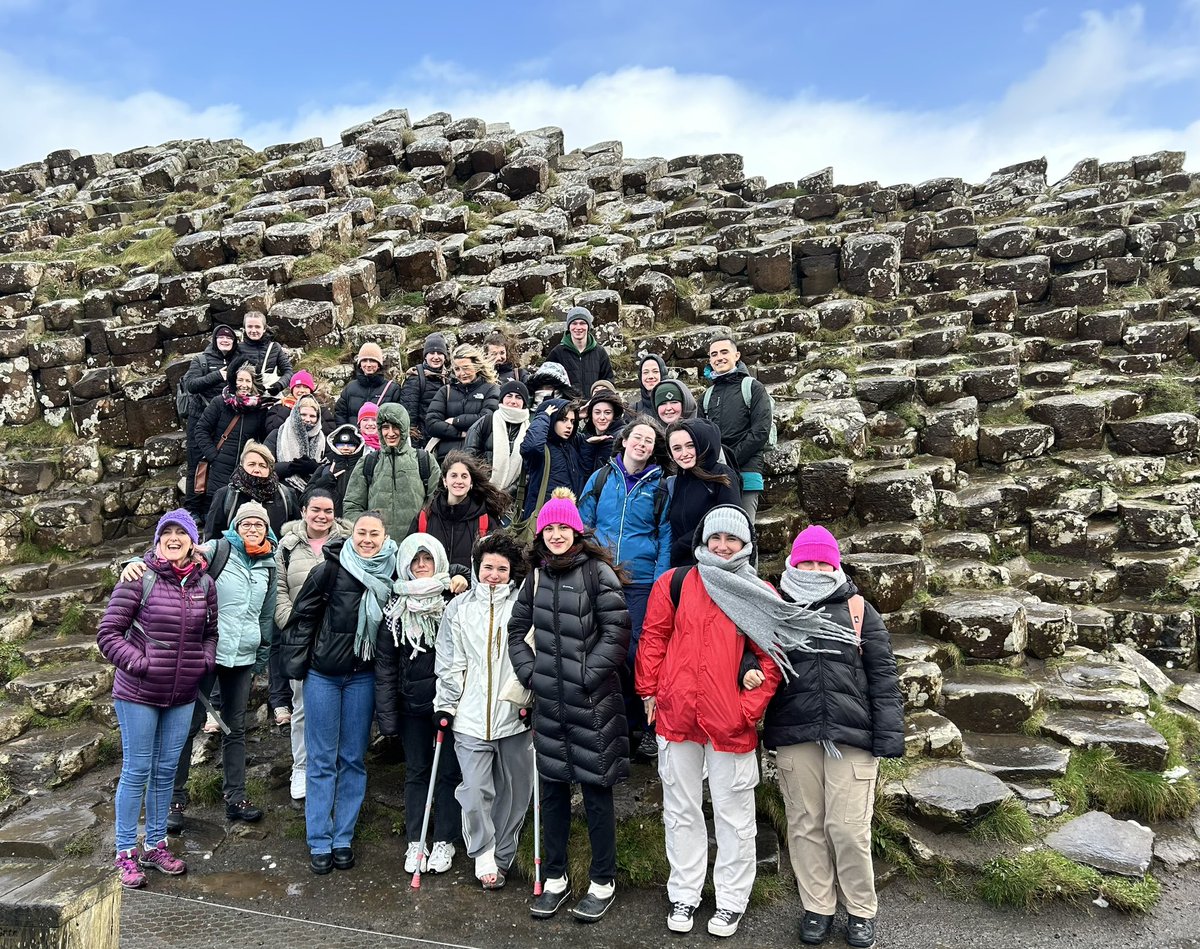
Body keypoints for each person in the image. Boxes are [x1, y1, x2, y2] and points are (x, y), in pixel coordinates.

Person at [636, 505, 782, 938]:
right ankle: (685, 891)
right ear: (703, 539)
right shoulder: (676, 582)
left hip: (728, 721)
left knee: (734, 814)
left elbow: (773, 657)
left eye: (732, 540)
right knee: (681, 810)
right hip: (677, 713)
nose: (722, 546)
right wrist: (649, 691)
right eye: (715, 538)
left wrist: (746, 710)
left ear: (745, 545)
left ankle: (732, 900)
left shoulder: (758, 591)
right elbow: (654, 637)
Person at [758, 525, 904, 949]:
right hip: (795, 734)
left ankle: (860, 910)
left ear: (835, 565)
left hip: (852, 736)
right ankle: (817, 906)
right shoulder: (775, 606)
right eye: (808, 560)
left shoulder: (859, 609)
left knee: (848, 828)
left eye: (824, 561)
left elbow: (883, 676)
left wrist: (888, 736)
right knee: (805, 826)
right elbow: (760, 663)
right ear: (794, 562)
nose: (816, 568)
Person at [508, 488, 631, 923]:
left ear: (576, 530)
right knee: (554, 793)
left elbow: (617, 635)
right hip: (550, 706)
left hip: (593, 705)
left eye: (563, 527)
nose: (556, 534)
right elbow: (516, 629)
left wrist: (583, 676)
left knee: (597, 794)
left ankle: (602, 881)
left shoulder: (598, 573)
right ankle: (555, 877)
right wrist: (530, 674)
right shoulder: (535, 578)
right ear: (540, 535)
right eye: (549, 528)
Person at [120, 502, 278, 831]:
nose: (252, 529)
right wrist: (137, 561)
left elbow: (266, 613)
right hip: (203, 654)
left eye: (258, 525)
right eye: (246, 523)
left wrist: (261, 652)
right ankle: (175, 799)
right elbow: (172, 554)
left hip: (243, 657)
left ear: (267, 529)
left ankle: (236, 797)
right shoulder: (217, 550)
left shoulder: (268, 563)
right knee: (188, 727)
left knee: (235, 728)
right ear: (236, 526)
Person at [97, 510, 217, 889]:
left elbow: (211, 632)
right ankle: (125, 852)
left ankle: (155, 844)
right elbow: (108, 633)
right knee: (137, 770)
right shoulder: (138, 578)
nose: (174, 537)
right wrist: (139, 663)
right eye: (167, 531)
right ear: (158, 539)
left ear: (193, 541)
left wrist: (204, 662)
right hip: (138, 692)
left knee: (166, 772)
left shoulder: (204, 584)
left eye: (182, 532)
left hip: (181, 694)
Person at [282, 511, 398, 875]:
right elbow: (303, 618)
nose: (366, 539)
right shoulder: (330, 568)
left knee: (352, 758)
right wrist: (299, 667)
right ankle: (319, 838)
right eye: (361, 532)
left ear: (384, 538)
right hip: (324, 675)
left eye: (374, 534)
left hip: (362, 677)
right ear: (351, 534)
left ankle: (343, 837)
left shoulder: (393, 574)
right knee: (320, 758)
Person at [434, 531, 532, 890]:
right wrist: (445, 705)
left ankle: (505, 855)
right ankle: (484, 852)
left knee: (516, 791)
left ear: (511, 572)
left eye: (502, 568)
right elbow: (449, 662)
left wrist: (530, 701)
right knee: (475, 790)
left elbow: (533, 655)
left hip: (515, 716)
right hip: (470, 718)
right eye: (488, 567)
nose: (494, 574)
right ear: (477, 567)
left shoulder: (522, 604)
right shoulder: (459, 609)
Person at [578, 415, 672, 759]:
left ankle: (646, 728)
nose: (642, 444)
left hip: (642, 582)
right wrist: (587, 565)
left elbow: (664, 534)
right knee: (604, 653)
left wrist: (661, 581)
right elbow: (583, 523)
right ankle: (615, 726)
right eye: (638, 437)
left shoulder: (661, 485)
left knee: (639, 654)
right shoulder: (601, 478)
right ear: (625, 440)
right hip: (601, 578)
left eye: (649, 440)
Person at [375, 533, 461, 876]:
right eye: (415, 560)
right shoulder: (394, 611)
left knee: (449, 773)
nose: (422, 565)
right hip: (412, 705)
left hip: (449, 704)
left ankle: (444, 839)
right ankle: (417, 840)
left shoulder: (453, 602)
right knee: (417, 772)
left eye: (427, 559)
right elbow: (385, 666)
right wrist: (388, 717)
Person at [275, 489, 350, 803]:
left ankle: (334, 766)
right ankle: (302, 767)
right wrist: (291, 622)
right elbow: (278, 589)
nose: (322, 516)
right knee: (303, 708)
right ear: (303, 511)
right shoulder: (288, 546)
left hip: (338, 638)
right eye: (316, 510)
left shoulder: (348, 543)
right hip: (303, 639)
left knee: (342, 708)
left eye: (328, 511)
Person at [699, 334, 773, 523]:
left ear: (737, 355)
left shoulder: (753, 387)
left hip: (746, 472)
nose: (719, 357)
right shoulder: (706, 396)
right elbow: (700, 437)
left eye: (724, 352)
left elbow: (761, 430)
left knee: (744, 532)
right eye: (714, 354)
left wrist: (730, 461)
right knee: (719, 532)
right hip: (717, 475)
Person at [410, 451, 508, 588]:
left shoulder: (485, 520)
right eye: (453, 476)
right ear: (445, 480)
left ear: (471, 482)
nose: (459, 481)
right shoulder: (425, 517)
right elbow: (408, 558)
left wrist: (465, 577)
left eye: (464, 476)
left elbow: (498, 561)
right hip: (431, 594)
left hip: (470, 596)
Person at [342, 403, 440, 538]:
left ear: (404, 428)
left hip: (416, 547)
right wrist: (365, 536)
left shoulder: (424, 460)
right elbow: (353, 505)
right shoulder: (368, 462)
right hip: (376, 548)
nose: (390, 433)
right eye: (385, 427)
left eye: (396, 427)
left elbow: (437, 503)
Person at [194, 357, 270, 510]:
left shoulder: (259, 409)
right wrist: (213, 456)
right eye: (240, 380)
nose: (244, 385)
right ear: (234, 381)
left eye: (248, 381)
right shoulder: (219, 402)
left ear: (253, 384)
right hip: (219, 469)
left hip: (245, 471)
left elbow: (262, 438)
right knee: (216, 512)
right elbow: (201, 429)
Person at [180, 325, 241, 517]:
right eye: (221, 337)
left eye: (229, 338)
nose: (225, 340)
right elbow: (191, 385)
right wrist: (219, 375)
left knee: (219, 464)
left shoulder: (238, 360)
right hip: (200, 419)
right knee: (197, 464)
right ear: (214, 339)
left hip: (224, 421)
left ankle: (210, 509)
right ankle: (192, 509)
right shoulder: (201, 360)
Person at [665, 419, 742, 568]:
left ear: (702, 444)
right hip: (683, 567)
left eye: (690, 446)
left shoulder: (722, 474)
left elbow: (728, 522)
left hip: (714, 565)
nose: (684, 454)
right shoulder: (680, 480)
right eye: (677, 448)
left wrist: (681, 545)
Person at [205, 441, 299, 540]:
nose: (257, 469)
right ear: (242, 466)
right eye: (251, 464)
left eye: (262, 465)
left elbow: (296, 534)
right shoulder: (225, 495)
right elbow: (212, 537)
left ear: (270, 469)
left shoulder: (286, 495)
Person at [424, 343, 501, 461]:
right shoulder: (446, 391)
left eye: (466, 368)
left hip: (478, 459)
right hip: (446, 459)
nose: (462, 373)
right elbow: (431, 423)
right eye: (457, 369)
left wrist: (455, 420)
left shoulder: (491, 389)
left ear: (476, 366)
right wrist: (460, 434)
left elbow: (487, 419)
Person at [463, 380, 530, 504]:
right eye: (509, 396)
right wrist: (486, 488)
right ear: (502, 399)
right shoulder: (486, 422)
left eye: (518, 397)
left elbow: (530, 468)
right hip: (481, 495)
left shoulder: (530, 429)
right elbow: (469, 457)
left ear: (524, 402)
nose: (513, 401)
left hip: (514, 500)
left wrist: (508, 493)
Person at [518, 399, 585, 521]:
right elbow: (532, 445)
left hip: (568, 517)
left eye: (572, 421)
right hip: (543, 519)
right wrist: (543, 416)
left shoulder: (571, 447)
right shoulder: (542, 450)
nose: (569, 425)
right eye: (563, 420)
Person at [546, 306, 613, 396]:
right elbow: (546, 382)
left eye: (582, 323)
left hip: (593, 407)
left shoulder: (600, 352)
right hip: (568, 408)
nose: (578, 327)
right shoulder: (557, 353)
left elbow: (608, 380)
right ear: (569, 326)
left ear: (588, 326)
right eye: (574, 323)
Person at [266, 395, 325, 495]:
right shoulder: (278, 434)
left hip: (313, 494)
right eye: (303, 414)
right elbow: (265, 466)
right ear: (296, 414)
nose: (307, 419)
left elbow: (329, 469)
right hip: (282, 493)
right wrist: (291, 467)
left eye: (312, 416)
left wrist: (315, 468)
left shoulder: (323, 439)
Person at [399, 333, 451, 445]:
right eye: (432, 353)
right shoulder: (415, 378)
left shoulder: (450, 378)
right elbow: (408, 416)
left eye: (440, 353)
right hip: (423, 440)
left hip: (445, 438)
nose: (436, 357)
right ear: (425, 356)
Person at [334, 342, 402, 426]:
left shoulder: (392, 389)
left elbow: (397, 418)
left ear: (379, 364)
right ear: (359, 364)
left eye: (373, 361)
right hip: (354, 438)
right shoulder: (350, 387)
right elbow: (340, 414)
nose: (368, 365)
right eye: (364, 360)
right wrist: (347, 433)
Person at [308, 425, 365, 517]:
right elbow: (305, 499)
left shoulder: (365, 468)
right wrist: (325, 481)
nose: (345, 448)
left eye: (351, 445)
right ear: (334, 446)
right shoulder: (324, 469)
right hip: (329, 522)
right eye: (340, 444)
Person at [240, 311, 292, 397]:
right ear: (244, 328)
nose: (253, 330)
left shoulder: (274, 347)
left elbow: (288, 371)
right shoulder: (237, 348)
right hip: (244, 397)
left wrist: (279, 385)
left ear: (264, 329)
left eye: (257, 327)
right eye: (249, 326)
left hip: (270, 397)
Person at [265, 370, 333, 436]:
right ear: (292, 390)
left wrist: (314, 414)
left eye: (306, 387)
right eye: (298, 387)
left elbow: (330, 431)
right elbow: (271, 430)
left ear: (311, 390)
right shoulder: (279, 406)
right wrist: (287, 408)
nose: (302, 390)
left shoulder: (320, 407)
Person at [579, 383, 627, 475]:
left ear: (614, 415)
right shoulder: (587, 434)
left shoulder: (620, 437)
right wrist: (577, 416)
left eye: (607, 412)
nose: (602, 417)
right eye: (597, 412)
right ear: (591, 414)